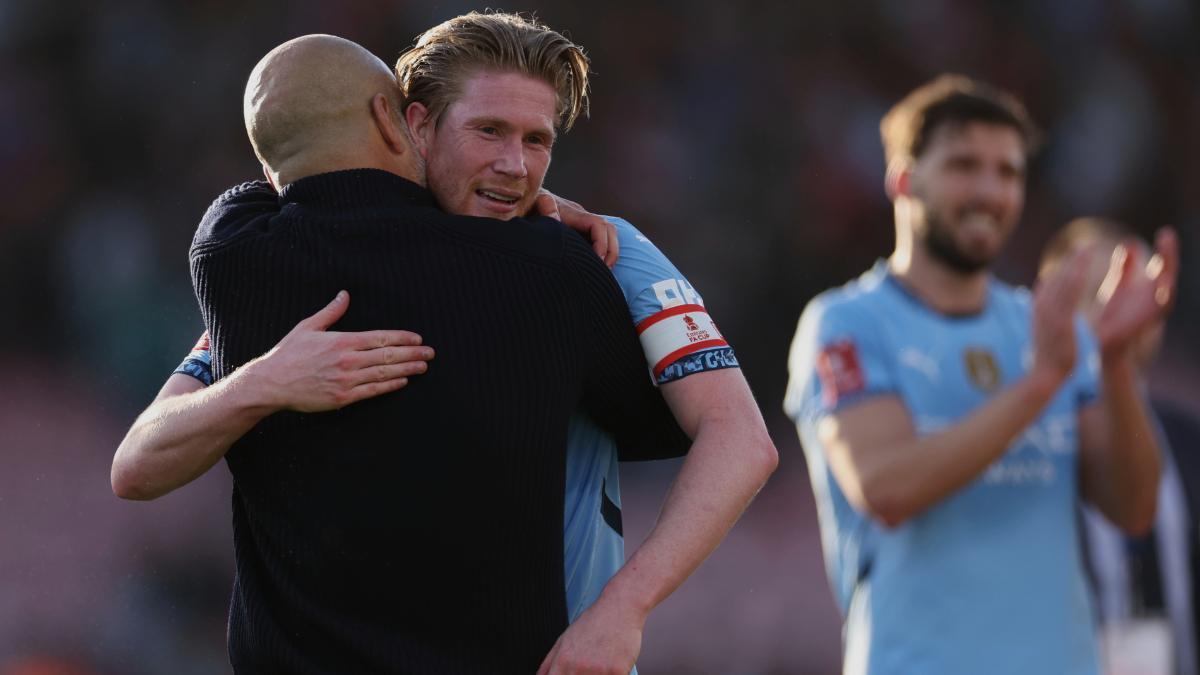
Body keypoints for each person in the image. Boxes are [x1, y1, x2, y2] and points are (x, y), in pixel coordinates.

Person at [115, 13, 777, 673]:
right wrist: (261, 381)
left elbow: (742, 438)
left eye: (538, 141)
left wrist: (624, 608)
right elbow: (137, 462)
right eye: (488, 131)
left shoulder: (605, 252)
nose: (515, 165)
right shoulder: (300, 295)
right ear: (413, 126)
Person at [784, 74, 1178, 674]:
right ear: (903, 179)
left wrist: (1116, 363)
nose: (990, 191)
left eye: (1008, 172)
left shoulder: (1045, 326)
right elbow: (886, 488)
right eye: (964, 166)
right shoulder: (848, 323)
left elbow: (1134, 509)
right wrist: (1038, 386)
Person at [1041, 218, 1199, 675]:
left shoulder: (1190, 442)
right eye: (1100, 292)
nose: (1125, 308)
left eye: (1142, 290)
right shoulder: (1020, 443)